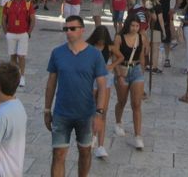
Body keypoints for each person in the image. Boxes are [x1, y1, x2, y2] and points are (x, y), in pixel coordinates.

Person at [45, 15, 108, 176]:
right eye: (66, 29)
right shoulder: (57, 53)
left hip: (86, 114)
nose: (68, 32)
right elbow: (51, 83)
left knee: (85, 152)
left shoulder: (94, 55)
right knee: (58, 155)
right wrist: (47, 110)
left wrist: (99, 114)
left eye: (72, 28)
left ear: (82, 30)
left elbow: (102, 86)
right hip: (61, 113)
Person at [112, 15, 148, 151]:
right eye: (132, 25)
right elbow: (114, 57)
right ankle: (118, 122)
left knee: (136, 104)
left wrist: (142, 71)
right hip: (122, 70)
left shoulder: (141, 38)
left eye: (137, 26)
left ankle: (138, 136)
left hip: (137, 70)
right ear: (128, 25)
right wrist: (119, 75)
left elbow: (141, 56)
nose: (135, 28)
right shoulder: (119, 38)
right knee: (122, 101)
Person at [86, 26, 119, 159]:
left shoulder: (109, 47)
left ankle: (100, 145)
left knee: (103, 112)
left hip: (105, 79)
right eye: (99, 41)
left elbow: (120, 57)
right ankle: (92, 136)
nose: (101, 43)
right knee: (92, 110)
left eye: (103, 41)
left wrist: (112, 65)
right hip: (92, 79)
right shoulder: (88, 47)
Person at [2, 0, 36, 88]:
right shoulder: (8, 5)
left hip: (23, 33)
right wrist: (6, 32)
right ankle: (14, 76)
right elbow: (3, 19)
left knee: (21, 56)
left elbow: (33, 19)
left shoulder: (28, 4)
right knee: (12, 56)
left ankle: (22, 76)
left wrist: (28, 32)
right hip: (11, 33)